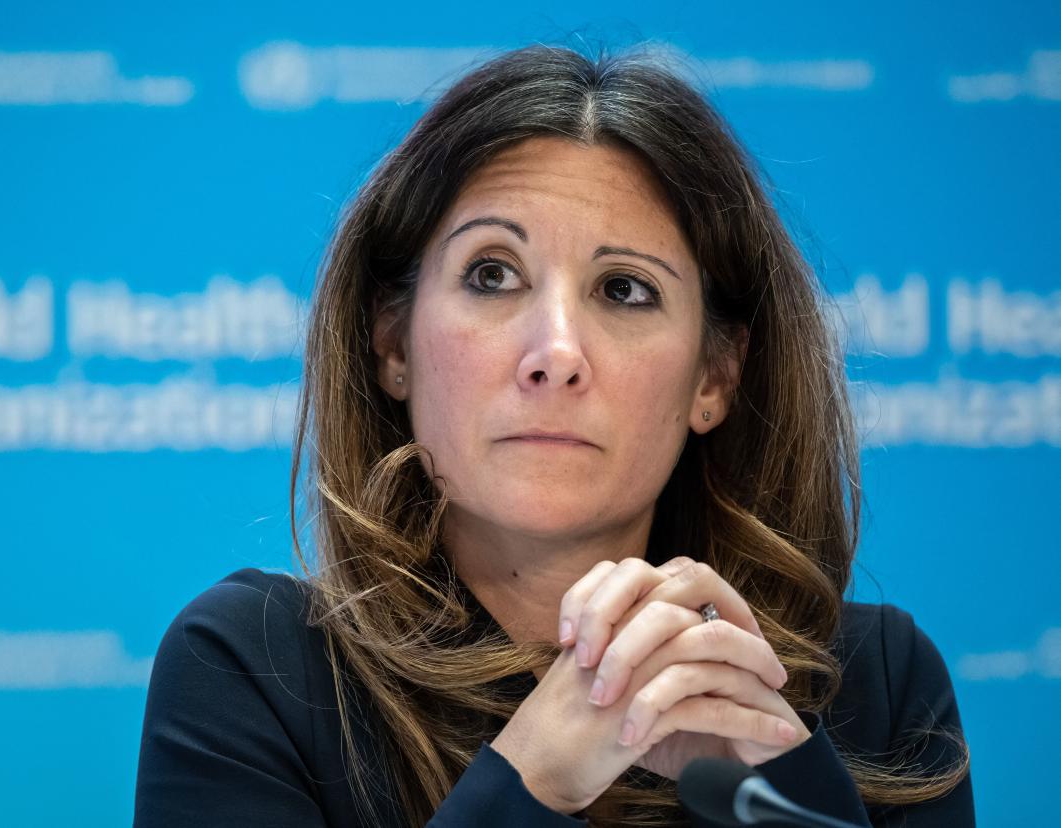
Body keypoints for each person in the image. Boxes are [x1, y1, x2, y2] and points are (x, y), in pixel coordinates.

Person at [133, 43, 974, 826]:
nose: (557, 354)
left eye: (625, 290)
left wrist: (787, 784)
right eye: (492, 275)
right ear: (393, 344)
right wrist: (534, 771)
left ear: (714, 377)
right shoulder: (256, 671)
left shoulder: (874, 685)